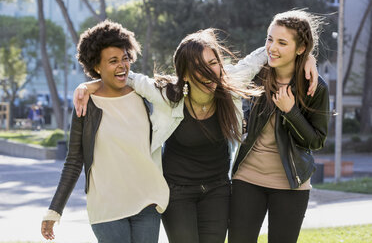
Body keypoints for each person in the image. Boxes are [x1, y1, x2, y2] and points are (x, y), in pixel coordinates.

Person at [73, 28, 318, 243]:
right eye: (199, 67)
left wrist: (308, 57)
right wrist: (87, 85)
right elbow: (132, 78)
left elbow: (262, 55)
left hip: (217, 189)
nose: (210, 72)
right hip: (177, 191)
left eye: (213, 63)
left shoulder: (227, 83)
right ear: (185, 73)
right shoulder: (169, 95)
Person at [41, 20, 169, 243]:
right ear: (97, 67)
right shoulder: (86, 104)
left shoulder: (144, 96)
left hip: (147, 202)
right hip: (107, 207)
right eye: (113, 61)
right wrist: (55, 210)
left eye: (125, 58)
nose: (122, 65)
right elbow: (73, 161)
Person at [228, 10, 330, 243]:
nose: (272, 47)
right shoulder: (255, 77)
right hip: (247, 179)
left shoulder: (315, 87)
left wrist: (291, 111)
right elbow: (229, 79)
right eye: (269, 39)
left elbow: (316, 141)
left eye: (282, 42)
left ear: (301, 48)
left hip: (291, 184)